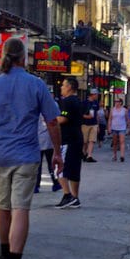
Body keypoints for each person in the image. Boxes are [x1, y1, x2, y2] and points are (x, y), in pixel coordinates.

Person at [0, 38, 62, 259]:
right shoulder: (36, 85)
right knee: (20, 209)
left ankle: (4, 250)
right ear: (24, 58)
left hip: (1, 155)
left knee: (3, 206)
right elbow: (52, 121)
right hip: (26, 155)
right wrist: (57, 151)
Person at [56, 77, 85, 208]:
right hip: (77, 137)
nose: (61, 87)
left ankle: (67, 195)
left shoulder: (67, 101)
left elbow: (63, 119)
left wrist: (50, 120)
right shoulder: (78, 101)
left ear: (69, 87)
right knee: (74, 169)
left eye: (63, 85)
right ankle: (75, 197)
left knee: (59, 168)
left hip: (68, 139)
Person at [35, 114, 61, 192]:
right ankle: (56, 182)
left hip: (38, 140)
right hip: (49, 140)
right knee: (51, 163)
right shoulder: (49, 109)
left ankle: (36, 186)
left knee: (38, 165)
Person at [81, 90, 100, 162]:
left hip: (94, 124)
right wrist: (86, 116)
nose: (97, 96)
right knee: (84, 141)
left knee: (92, 140)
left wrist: (98, 125)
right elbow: (80, 114)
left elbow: (96, 114)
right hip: (85, 124)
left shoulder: (96, 103)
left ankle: (89, 156)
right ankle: (84, 153)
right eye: (96, 94)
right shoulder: (84, 103)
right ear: (92, 94)